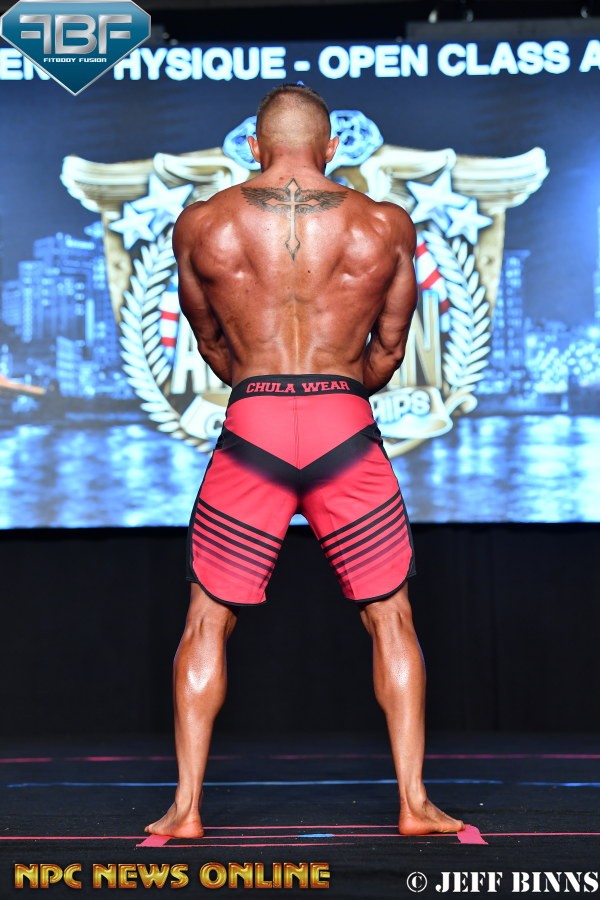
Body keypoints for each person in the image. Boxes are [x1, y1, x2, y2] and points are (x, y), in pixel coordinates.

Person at [146, 84, 464, 838]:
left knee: (206, 619)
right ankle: (414, 804)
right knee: (390, 617)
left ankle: (185, 810)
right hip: (342, 421)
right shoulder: (383, 225)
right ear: (333, 147)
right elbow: (391, 347)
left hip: (253, 419)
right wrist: (339, 392)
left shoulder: (204, 224)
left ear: (254, 146)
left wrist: (259, 385)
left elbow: (207, 338)